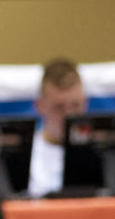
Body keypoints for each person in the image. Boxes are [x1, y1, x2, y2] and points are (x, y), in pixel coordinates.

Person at [28, 57, 87, 198]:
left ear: (86, 103)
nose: (69, 115)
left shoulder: (101, 154)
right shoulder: (28, 155)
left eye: (76, 105)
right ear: (40, 106)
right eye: (59, 107)